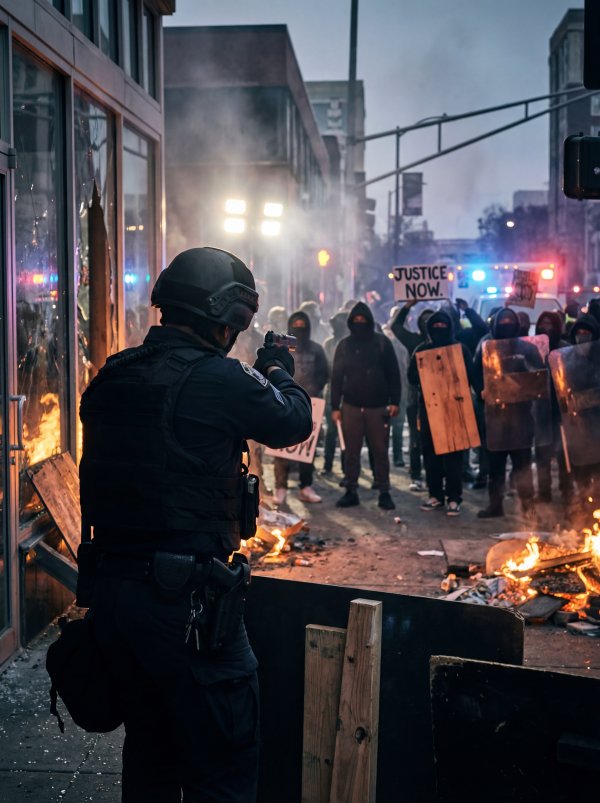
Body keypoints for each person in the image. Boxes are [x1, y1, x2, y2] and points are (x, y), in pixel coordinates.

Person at [78, 247, 312, 802]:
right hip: (185, 608)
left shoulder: (113, 375)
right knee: (224, 762)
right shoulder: (219, 377)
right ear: (222, 319)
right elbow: (293, 421)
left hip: (113, 599)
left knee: (150, 753)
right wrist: (278, 370)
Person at [331, 302, 401, 510]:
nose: (359, 323)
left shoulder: (382, 343)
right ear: (350, 323)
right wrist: (335, 406)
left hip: (378, 407)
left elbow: (394, 374)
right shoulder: (344, 345)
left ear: (370, 322)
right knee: (351, 452)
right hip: (351, 407)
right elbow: (336, 378)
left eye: (363, 320)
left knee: (380, 451)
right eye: (356, 321)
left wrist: (395, 401)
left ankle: (384, 491)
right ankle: (351, 490)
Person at [472, 308, 541, 520]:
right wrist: (481, 390)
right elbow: (475, 373)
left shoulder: (527, 348)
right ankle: (495, 505)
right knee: (496, 466)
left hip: (521, 416)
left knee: (523, 465)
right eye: (503, 321)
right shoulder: (485, 348)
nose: (507, 324)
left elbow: (538, 374)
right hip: (495, 418)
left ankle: (528, 507)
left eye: (511, 320)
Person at [407, 310, 474, 516]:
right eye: (435, 326)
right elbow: (411, 377)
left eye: (443, 325)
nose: (439, 330)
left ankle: (454, 498)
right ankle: (435, 494)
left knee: (454, 456)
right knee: (431, 455)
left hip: (455, 408)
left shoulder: (460, 349)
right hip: (430, 408)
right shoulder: (422, 349)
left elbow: (470, 375)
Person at [273, 310, 329, 505]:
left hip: (309, 402)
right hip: (284, 400)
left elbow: (324, 373)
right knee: (282, 446)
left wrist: (313, 390)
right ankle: (281, 487)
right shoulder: (281, 347)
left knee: (307, 448)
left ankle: (306, 486)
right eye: (295, 324)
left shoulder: (317, 349)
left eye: (302, 324)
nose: (298, 328)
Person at [391, 301, 434, 491]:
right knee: (416, 439)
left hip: (440, 398)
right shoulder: (414, 341)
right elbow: (395, 326)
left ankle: (435, 475)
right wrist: (408, 306)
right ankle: (416, 475)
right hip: (416, 398)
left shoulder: (446, 340)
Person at [534, 311, 572, 505]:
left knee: (564, 454)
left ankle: (566, 492)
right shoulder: (533, 349)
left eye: (550, 324)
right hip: (540, 411)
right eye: (542, 323)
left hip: (561, 411)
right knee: (542, 455)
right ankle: (544, 494)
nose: (545, 328)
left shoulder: (566, 349)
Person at [322, 310, 349, 474]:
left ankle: (347, 468)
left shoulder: (351, 343)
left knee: (347, 433)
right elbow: (326, 368)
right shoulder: (329, 343)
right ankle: (328, 464)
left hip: (349, 393)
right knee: (331, 432)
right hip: (332, 392)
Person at [383, 307, 409, 467]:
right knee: (384, 425)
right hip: (385, 388)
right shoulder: (384, 338)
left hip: (402, 387)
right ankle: (384, 455)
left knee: (398, 425)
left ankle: (397, 456)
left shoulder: (405, 339)